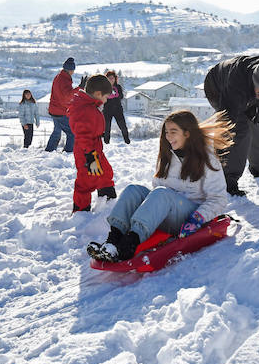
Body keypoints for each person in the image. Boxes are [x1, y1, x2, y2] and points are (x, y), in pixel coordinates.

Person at [87, 110, 233, 262]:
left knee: (162, 194)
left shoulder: (207, 159)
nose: (168, 136)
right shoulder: (168, 157)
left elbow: (218, 198)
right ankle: (112, 241)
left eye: (173, 131)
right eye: (166, 132)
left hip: (189, 218)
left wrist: (197, 218)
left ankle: (129, 245)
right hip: (167, 213)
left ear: (187, 133)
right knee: (133, 190)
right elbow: (157, 190)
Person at [204, 53, 259, 196]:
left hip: (246, 89)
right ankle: (226, 179)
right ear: (255, 81)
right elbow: (225, 127)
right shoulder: (235, 87)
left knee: (257, 126)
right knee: (239, 130)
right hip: (216, 87)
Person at [68, 74, 117, 213]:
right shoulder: (85, 110)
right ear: (97, 94)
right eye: (106, 97)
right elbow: (83, 136)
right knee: (85, 180)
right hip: (86, 151)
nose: (106, 100)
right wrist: (90, 156)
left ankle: (107, 196)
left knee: (105, 172)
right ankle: (81, 210)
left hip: (94, 148)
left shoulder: (90, 106)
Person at [46, 57, 78, 152]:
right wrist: (79, 88)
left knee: (56, 132)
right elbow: (67, 97)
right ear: (70, 70)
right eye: (73, 70)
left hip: (54, 109)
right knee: (72, 133)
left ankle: (49, 151)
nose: (73, 72)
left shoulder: (59, 77)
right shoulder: (64, 80)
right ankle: (68, 152)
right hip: (60, 111)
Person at [103, 70, 131, 144]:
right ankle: (106, 141)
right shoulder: (104, 87)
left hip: (117, 109)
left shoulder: (118, 87)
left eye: (112, 78)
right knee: (106, 126)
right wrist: (109, 95)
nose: (111, 79)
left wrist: (115, 94)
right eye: (109, 78)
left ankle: (127, 140)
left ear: (115, 79)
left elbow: (121, 97)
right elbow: (102, 97)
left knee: (122, 125)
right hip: (107, 109)